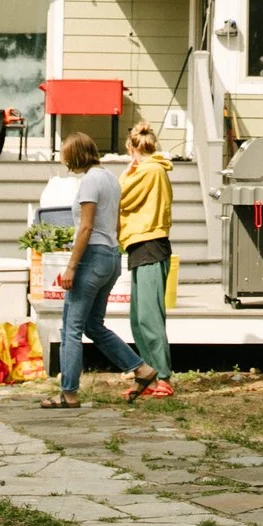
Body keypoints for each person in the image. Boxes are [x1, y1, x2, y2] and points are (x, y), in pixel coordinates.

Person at [45, 132, 154, 408]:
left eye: (66, 155)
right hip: (111, 256)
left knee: (71, 328)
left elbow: (86, 226)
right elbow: (115, 223)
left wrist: (71, 266)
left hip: (91, 257)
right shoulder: (110, 179)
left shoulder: (90, 181)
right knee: (93, 325)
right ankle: (141, 369)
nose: (64, 160)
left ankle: (69, 394)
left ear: (76, 155)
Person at [117, 122, 175, 400]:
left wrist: (128, 170)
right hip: (140, 244)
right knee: (138, 319)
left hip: (151, 243)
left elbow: (120, 196)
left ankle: (163, 376)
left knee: (150, 317)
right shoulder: (149, 170)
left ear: (131, 148)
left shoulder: (150, 171)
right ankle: (149, 375)